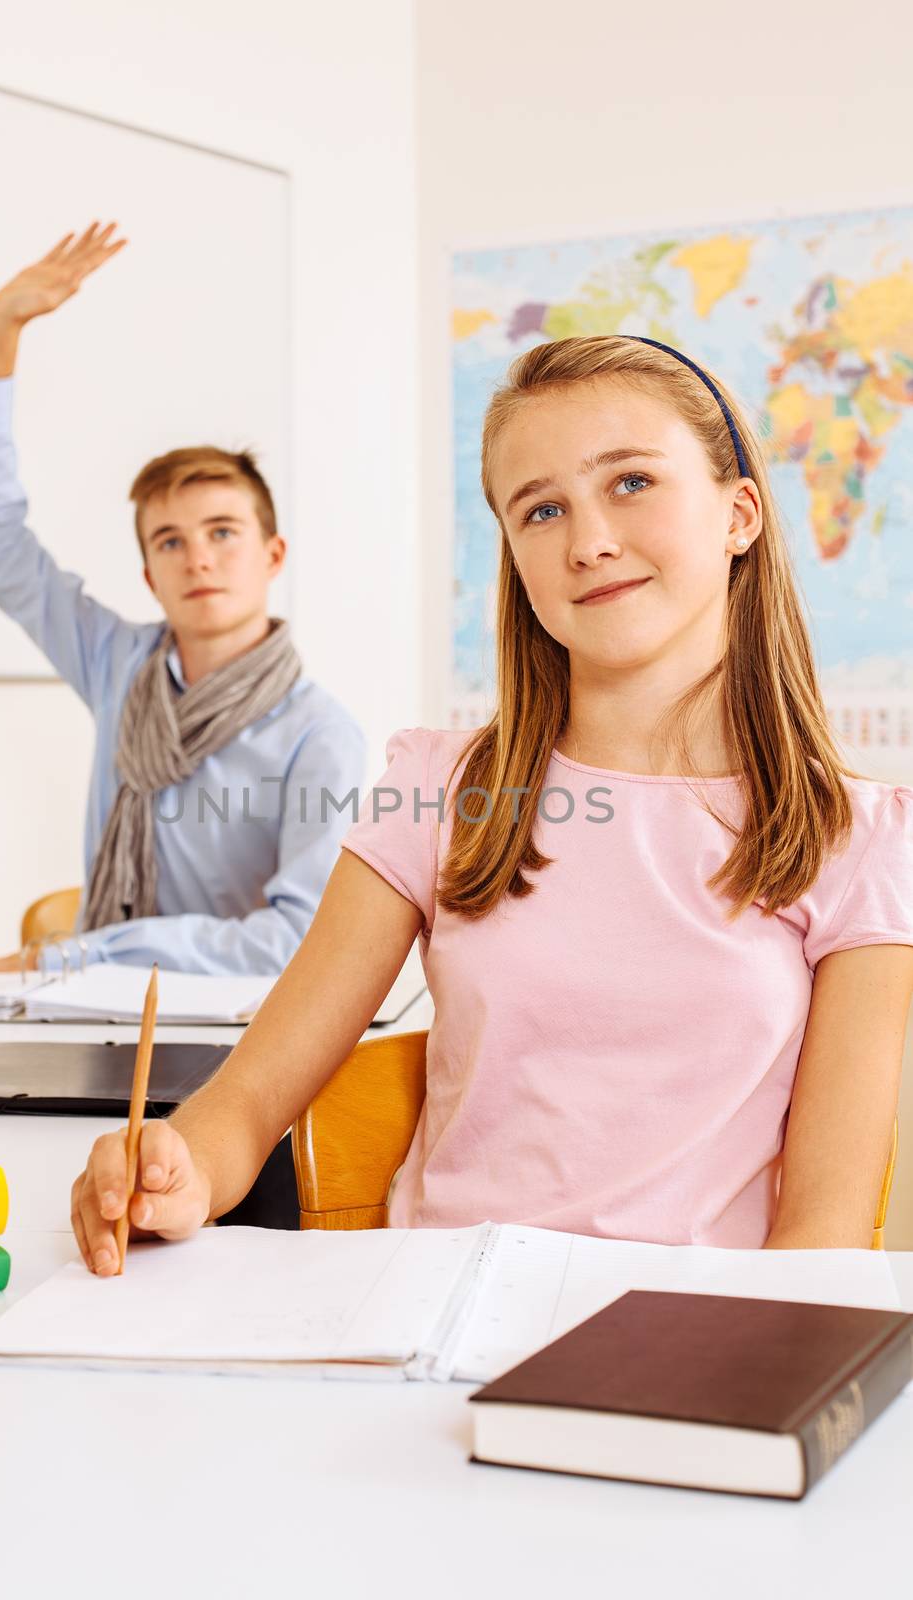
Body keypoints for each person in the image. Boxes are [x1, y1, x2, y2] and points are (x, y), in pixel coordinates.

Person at [71, 333, 913, 1274]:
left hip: (689, 1355)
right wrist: (178, 1164)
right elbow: (249, 1105)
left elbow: (820, 1241)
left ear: (739, 512)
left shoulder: (861, 838)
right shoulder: (440, 788)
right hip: (432, 1323)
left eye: (630, 482)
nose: (588, 541)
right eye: (540, 509)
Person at [0, 223, 366, 975]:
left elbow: (293, 945)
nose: (198, 557)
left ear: (273, 555)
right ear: (149, 575)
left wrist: (86, 955)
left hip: (243, 1041)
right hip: (97, 1014)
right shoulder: (117, 664)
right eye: (169, 541)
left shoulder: (320, 734)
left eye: (222, 532)